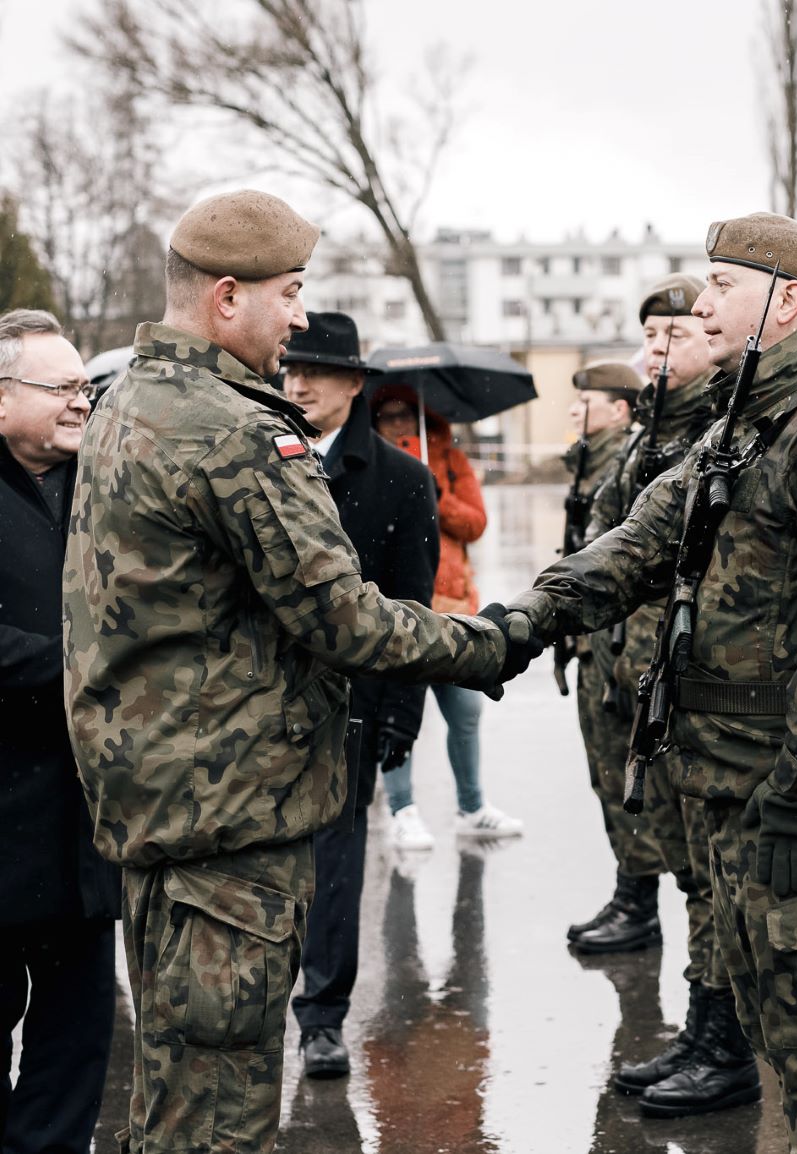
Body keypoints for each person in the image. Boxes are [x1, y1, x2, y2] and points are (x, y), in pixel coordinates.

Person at [61, 190, 540, 1154]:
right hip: (228, 822)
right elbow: (344, 617)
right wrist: (495, 642)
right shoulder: (237, 428)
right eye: (290, 294)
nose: (298, 319)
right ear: (227, 297)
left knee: (172, 1092)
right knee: (223, 1111)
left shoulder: (129, 404)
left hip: (159, 810)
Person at [505, 212, 797, 1152]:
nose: (700, 302)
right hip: (732, 782)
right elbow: (636, 547)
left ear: (789, 301)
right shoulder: (741, 423)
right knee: (773, 1028)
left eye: (722, 286)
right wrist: (510, 627)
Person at [579, 275, 765, 1118]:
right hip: (634, 668)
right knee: (679, 849)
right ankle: (705, 1027)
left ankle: (722, 1040)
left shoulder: (724, 434)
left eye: (675, 335)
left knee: (705, 870)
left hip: (695, 684)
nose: (655, 350)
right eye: (648, 338)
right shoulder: (650, 433)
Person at [281, 311, 441, 1079]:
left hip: (351, 705)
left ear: (355, 383)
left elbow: (414, 603)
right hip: (259, 704)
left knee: (336, 865)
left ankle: (322, 1015)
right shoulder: (260, 463)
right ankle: (254, 1004)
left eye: (315, 371)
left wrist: (403, 708)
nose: (298, 384)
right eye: (289, 369)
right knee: (258, 864)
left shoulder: (405, 481)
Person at [0, 309, 121, 1154]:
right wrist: (92, 671)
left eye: (88, 387)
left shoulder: (105, 489)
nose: (84, 403)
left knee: (78, 1040)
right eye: (63, 388)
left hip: (88, 827)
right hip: (2, 818)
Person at [373, 385, 526, 845]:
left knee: (466, 711)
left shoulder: (449, 461)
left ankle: (472, 806)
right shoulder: (375, 467)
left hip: (455, 609)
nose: (399, 423)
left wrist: (435, 495)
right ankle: (402, 809)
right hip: (401, 609)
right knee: (400, 711)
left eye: (407, 414)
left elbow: (475, 524)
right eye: (389, 415)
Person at [560, 362, 668, 957]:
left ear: (620, 411)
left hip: (623, 651)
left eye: (588, 404)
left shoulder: (622, 464)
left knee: (628, 782)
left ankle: (639, 903)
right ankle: (630, 893)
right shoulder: (588, 464)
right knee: (606, 778)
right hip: (597, 648)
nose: (576, 412)